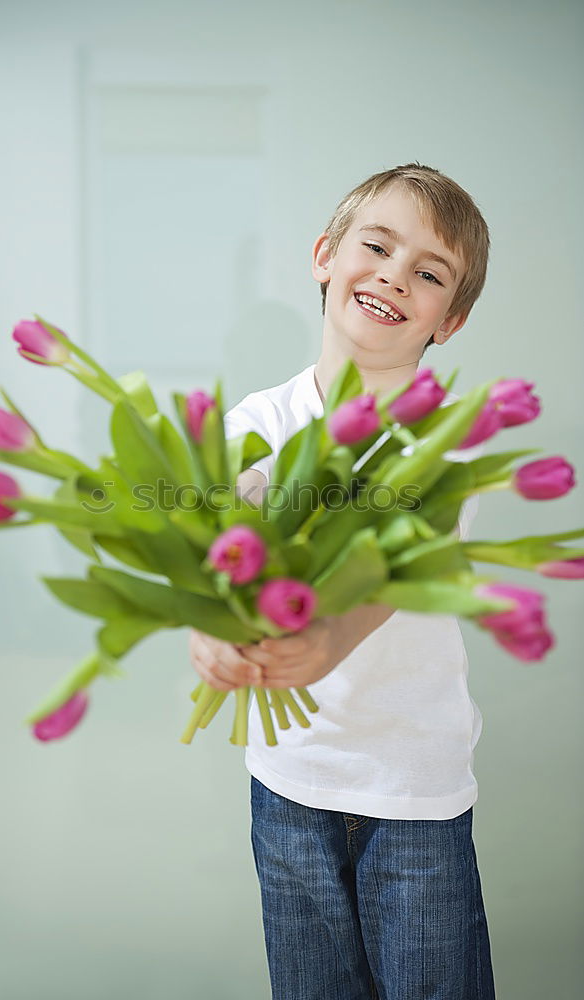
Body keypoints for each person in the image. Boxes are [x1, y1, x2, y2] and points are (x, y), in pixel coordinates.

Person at [188, 162, 496, 1000]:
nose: (396, 273)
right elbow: (220, 545)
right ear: (325, 255)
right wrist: (208, 622)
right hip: (286, 787)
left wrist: (324, 637)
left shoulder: (446, 448)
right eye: (378, 245)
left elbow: (393, 574)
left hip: (411, 797)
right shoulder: (255, 425)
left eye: (428, 273)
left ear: (450, 319)